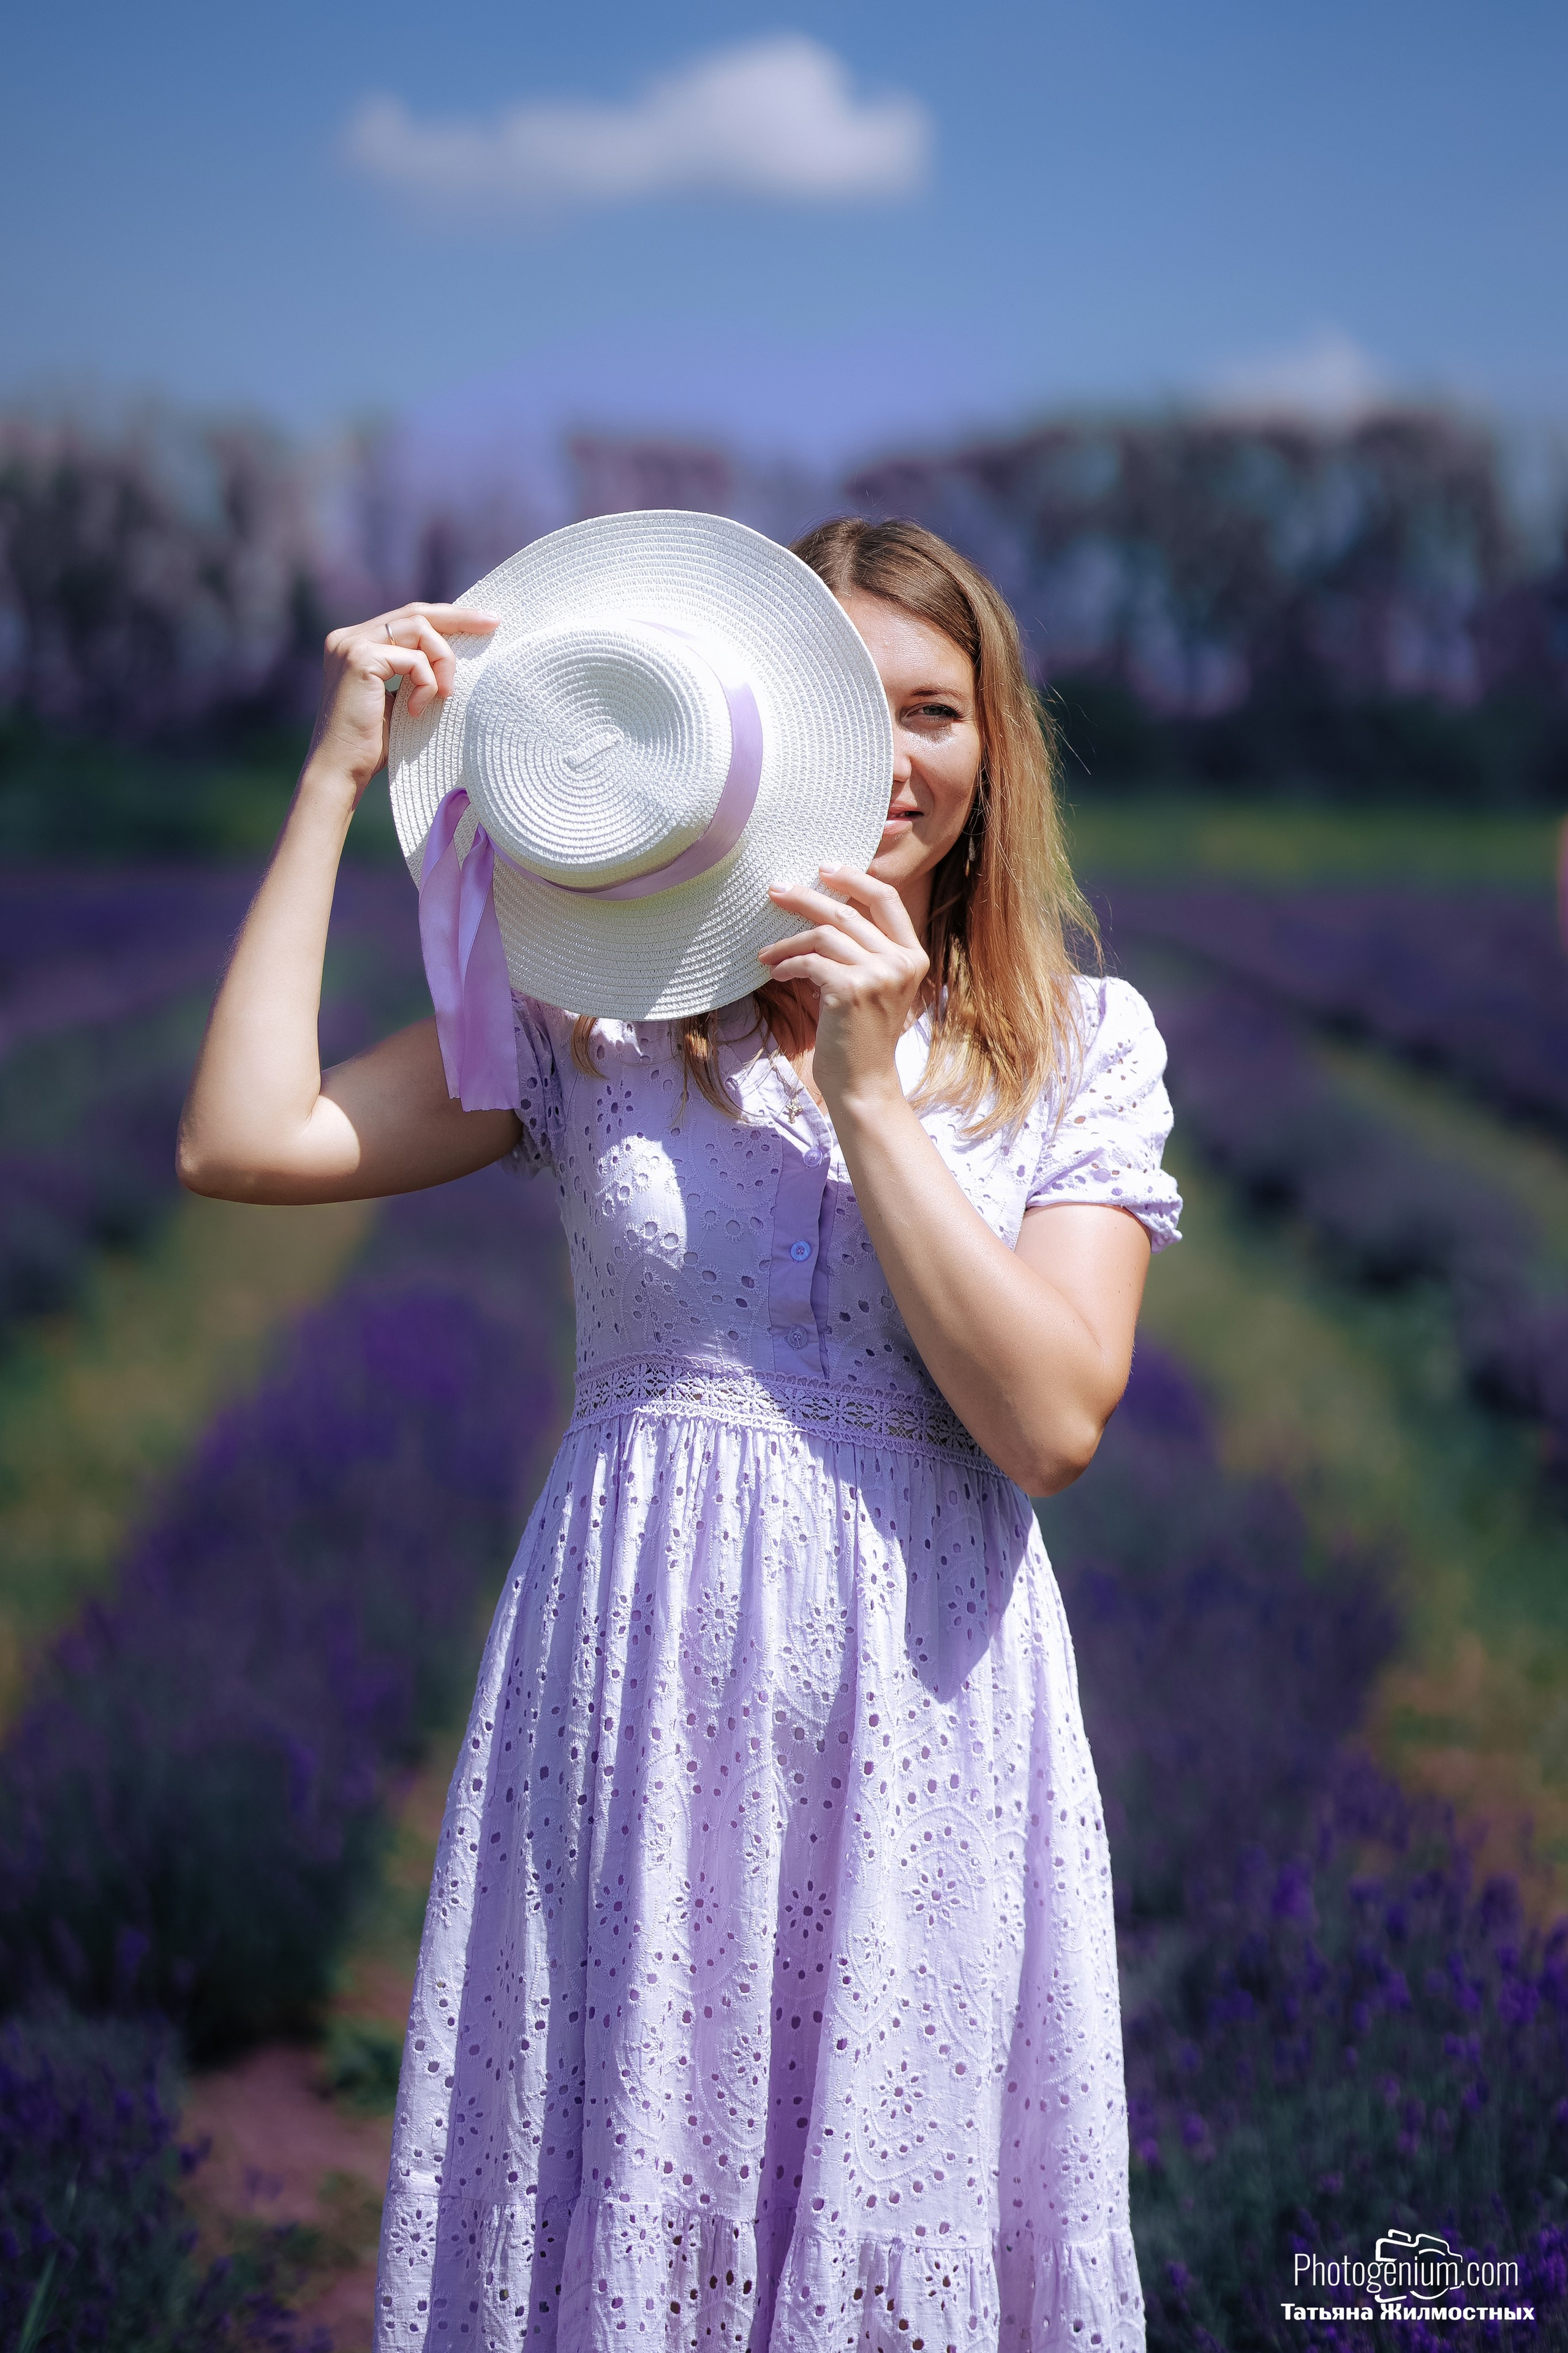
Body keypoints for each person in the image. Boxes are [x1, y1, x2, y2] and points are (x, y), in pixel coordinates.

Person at [179, 513, 1181, 2353]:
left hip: (928, 1714)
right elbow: (242, 1137)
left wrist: (873, 1089)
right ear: (760, 721)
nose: (895, 760)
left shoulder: (1078, 1046)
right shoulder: (602, 1026)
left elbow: (1050, 1420)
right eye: (850, 707)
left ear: (996, 745)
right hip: (639, 1688)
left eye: (938, 710)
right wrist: (336, 783)